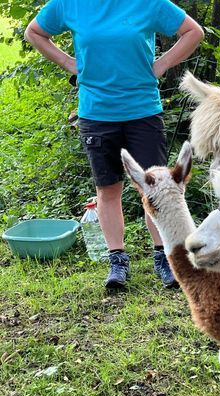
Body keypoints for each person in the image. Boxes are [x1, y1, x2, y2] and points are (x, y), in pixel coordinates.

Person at [25, 1, 204, 289]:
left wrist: (161, 65)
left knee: (158, 189)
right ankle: (117, 259)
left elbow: (193, 32)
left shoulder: (149, 3)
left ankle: (164, 258)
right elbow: (34, 32)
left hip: (143, 111)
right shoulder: (69, 4)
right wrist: (69, 63)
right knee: (107, 189)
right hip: (96, 114)